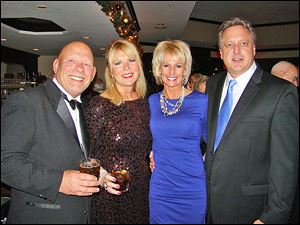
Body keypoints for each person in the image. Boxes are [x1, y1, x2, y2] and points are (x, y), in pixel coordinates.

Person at [205, 17, 299, 224]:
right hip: (208, 208)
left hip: (250, 212)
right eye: (229, 45)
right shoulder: (213, 85)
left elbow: (285, 165)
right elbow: (209, 139)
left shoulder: (281, 92)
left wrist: (272, 216)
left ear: (254, 49)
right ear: (220, 53)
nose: (236, 51)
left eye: (243, 43)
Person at [1, 41, 100, 224]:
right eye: (72, 61)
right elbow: (4, 162)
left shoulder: (87, 107)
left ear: (93, 73)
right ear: (56, 65)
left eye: (86, 64)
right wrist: (59, 181)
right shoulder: (26, 101)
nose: (79, 69)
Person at [84, 39, 152, 224]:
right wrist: (103, 176)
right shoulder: (99, 106)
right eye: (118, 63)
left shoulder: (145, 103)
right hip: (111, 195)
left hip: (142, 190)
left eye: (131, 60)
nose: (126, 68)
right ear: (111, 71)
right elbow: (83, 152)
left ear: (139, 65)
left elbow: (146, 143)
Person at [149, 40, 207, 223]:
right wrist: (150, 151)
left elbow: (215, 142)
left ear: (185, 70)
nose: (172, 72)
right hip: (161, 186)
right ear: (159, 69)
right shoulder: (151, 101)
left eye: (178, 65)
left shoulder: (202, 101)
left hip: (192, 186)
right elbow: (144, 135)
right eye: (166, 65)